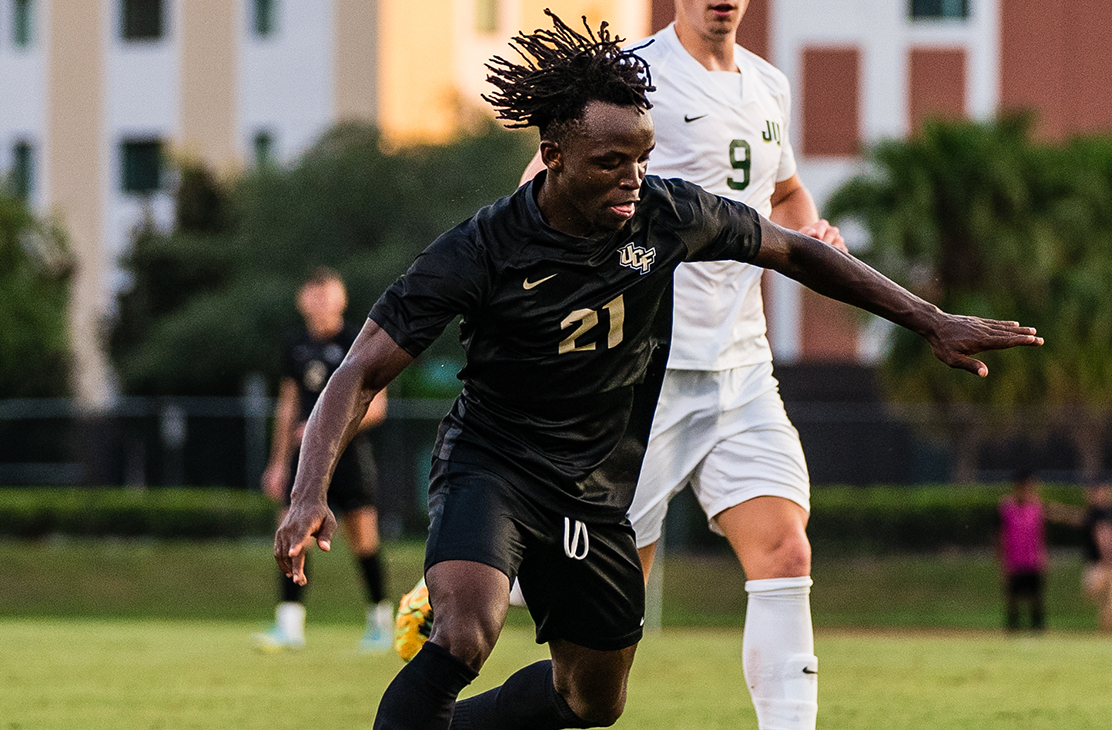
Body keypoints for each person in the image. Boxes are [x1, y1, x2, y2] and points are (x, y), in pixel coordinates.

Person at [272, 14, 1041, 729]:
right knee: (465, 634)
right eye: (611, 163)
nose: (633, 178)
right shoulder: (480, 250)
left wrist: (931, 320)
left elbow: (796, 250)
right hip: (495, 465)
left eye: (642, 157)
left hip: (600, 482)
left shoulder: (665, 215)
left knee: (591, 701)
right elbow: (360, 369)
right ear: (554, 156)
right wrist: (308, 493)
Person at [517, 3, 843, 725]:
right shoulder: (633, 76)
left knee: (787, 553)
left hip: (743, 370)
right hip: (640, 382)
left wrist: (811, 231)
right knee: (605, 634)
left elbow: (784, 193)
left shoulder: (768, 84)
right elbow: (538, 186)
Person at [256, 267, 392, 652]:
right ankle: (290, 625)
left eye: (327, 293)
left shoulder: (358, 341)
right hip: (302, 458)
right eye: (313, 293)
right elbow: (287, 406)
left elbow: (377, 407)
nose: (320, 301)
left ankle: (380, 623)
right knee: (292, 533)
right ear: (302, 300)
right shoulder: (295, 346)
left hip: (349, 455)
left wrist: (325, 431)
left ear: (342, 299)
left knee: (362, 536)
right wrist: (278, 463)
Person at [998, 471, 1051, 632]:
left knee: (1036, 597)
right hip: (1014, 560)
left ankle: (1038, 628)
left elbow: (1041, 534)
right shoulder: (1007, 507)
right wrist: (1002, 560)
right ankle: (1013, 627)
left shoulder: (1037, 507)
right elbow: (1000, 535)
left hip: (1033, 560)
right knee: (1013, 598)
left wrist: (1043, 555)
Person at [1078, 482, 1112, 634]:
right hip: (1105, 563)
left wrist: (1109, 556)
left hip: (1108, 563)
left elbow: (1105, 534)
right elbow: (1104, 534)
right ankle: (1108, 634)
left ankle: (1108, 634)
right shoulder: (1098, 513)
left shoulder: (1105, 512)